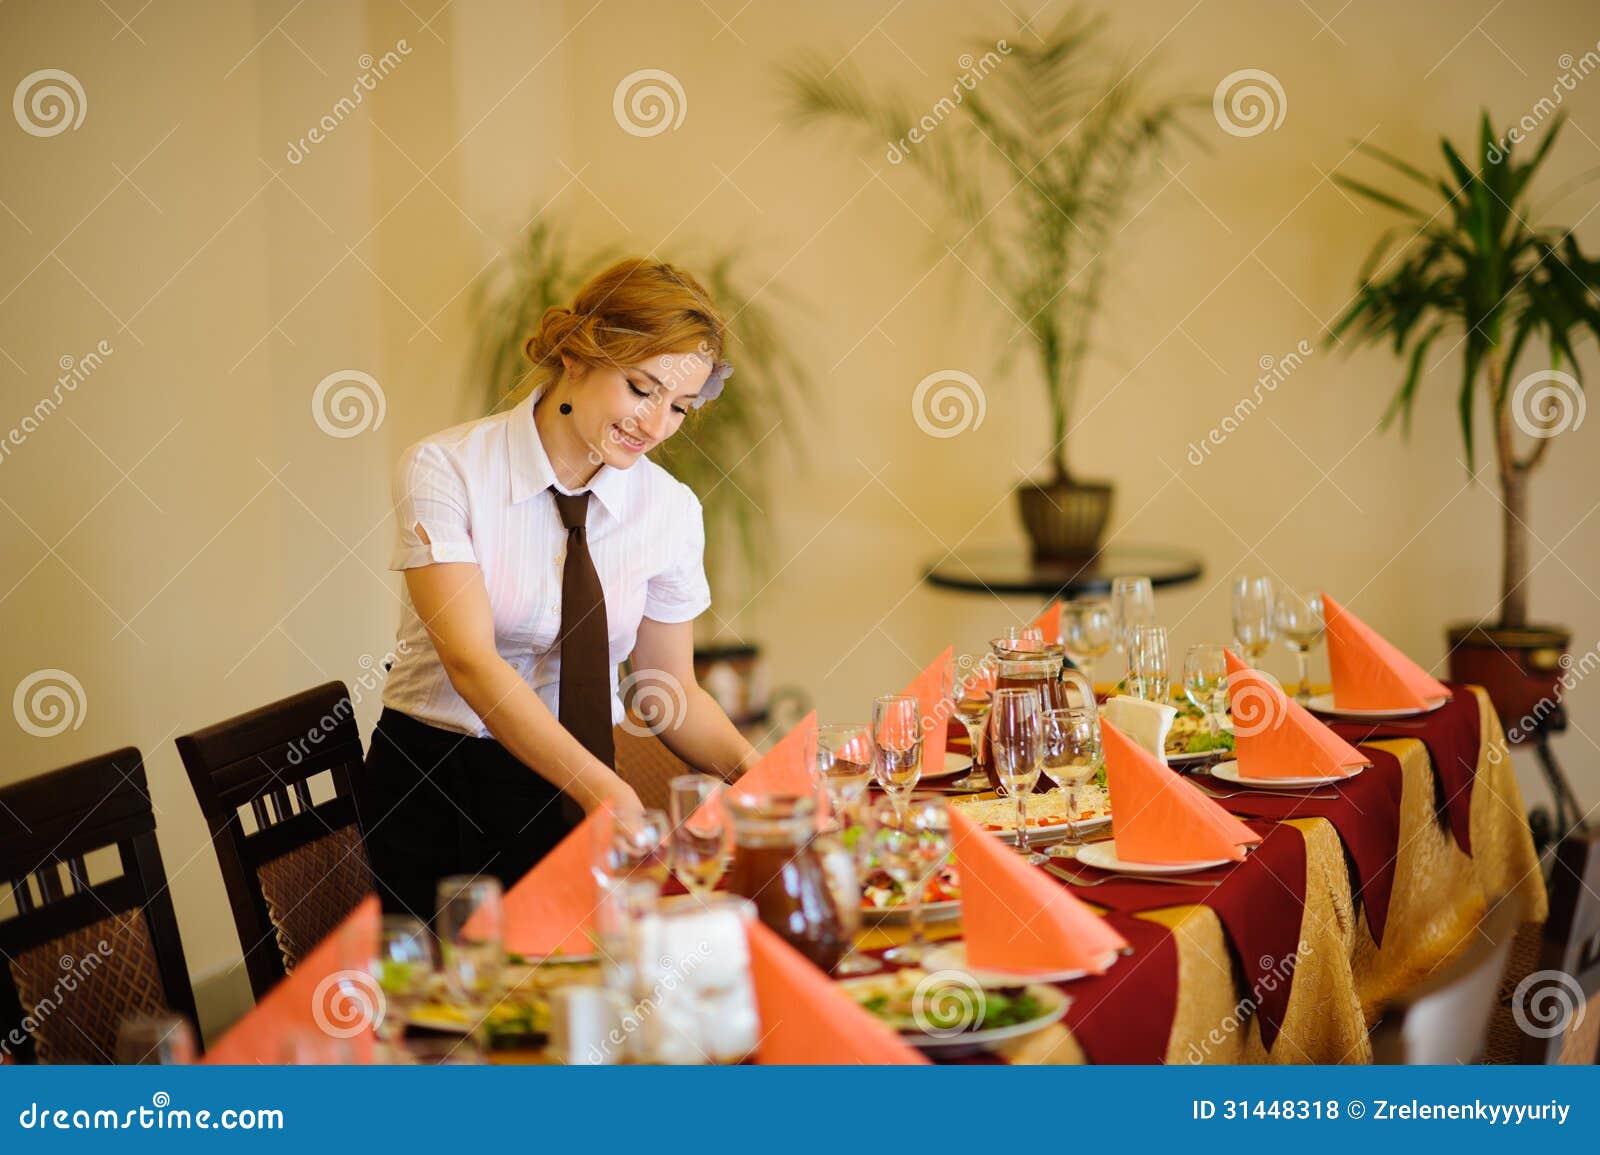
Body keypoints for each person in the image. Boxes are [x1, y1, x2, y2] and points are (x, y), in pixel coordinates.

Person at [359, 257, 759, 919]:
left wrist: (756, 769)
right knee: (479, 1012)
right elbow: (471, 662)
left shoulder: (669, 508)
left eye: (680, 406)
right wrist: (602, 790)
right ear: (578, 356)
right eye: (641, 387)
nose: (657, 425)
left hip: (584, 780)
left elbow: (670, 689)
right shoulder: (447, 470)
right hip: (444, 785)